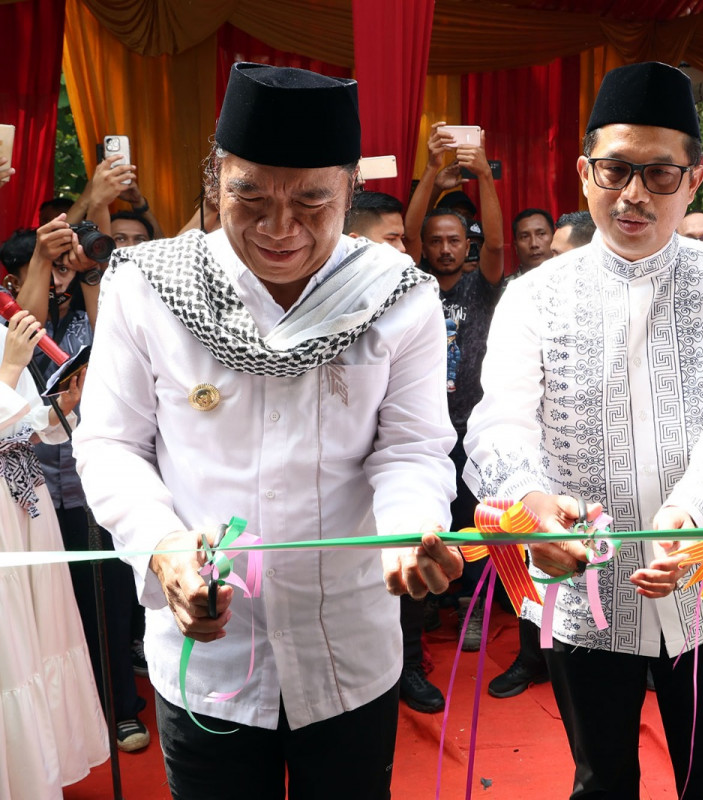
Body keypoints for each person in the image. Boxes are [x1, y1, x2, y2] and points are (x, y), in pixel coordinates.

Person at [73, 63, 462, 798]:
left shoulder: (397, 296)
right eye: (248, 195)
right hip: (207, 660)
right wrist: (162, 548)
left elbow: (411, 446)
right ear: (215, 179)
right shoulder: (148, 285)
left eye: (312, 201)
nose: (279, 228)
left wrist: (410, 528)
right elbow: (111, 443)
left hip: (346, 648)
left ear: (349, 188)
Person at [465, 61, 703, 798]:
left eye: (660, 174)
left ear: (694, 180)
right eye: (615, 169)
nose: (634, 194)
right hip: (584, 585)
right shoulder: (533, 296)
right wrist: (531, 502)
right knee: (600, 780)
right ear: (584, 173)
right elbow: (500, 416)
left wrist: (690, 513)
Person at [6, 217, 152, 753]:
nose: (61, 276)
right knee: (53, 616)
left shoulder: (92, 298)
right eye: (48, 267)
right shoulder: (19, 324)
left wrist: (91, 277)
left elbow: (105, 351)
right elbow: (22, 350)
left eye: (69, 265)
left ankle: (119, 711)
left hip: (92, 484)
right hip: (35, 495)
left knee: (108, 601)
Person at [344, 188, 447, 714]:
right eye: (393, 239)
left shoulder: (409, 303)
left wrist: (410, 520)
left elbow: (413, 442)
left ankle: (410, 666)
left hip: (381, 530)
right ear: (353, 242)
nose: (406, 252)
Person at [0, 306, 106, 799]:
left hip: (24, 497)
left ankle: (37, 775)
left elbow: (20, 425)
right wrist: (9, 368)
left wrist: (59, 406)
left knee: (41, 638)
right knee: (11, 646)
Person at [487, 209, 593, 701]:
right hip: (541, 473)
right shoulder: (526, 303)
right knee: (541, 566)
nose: (550, 266)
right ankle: (531, 658)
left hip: (611, 487)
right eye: (548, 256)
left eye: (560, 255)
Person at [412, 123, 505, 652]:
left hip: (472, 425)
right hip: (425, 424)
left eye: (454, 240)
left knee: (473, 517)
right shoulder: (412, 285)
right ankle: (426, 599)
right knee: (430, 516)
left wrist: (482, 174)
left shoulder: (482, 284)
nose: (446, 249)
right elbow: (401, 236)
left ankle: (472, 607)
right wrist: (429, 175)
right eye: (436, 241)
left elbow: (495, 240)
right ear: (424, 247)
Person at [511, 208, 554, 276]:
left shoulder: (572, 282)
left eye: (541, 234)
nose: (534, 244)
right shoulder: (509, 286)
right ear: (516, 247)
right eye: (525, 237)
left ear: (554, 238)